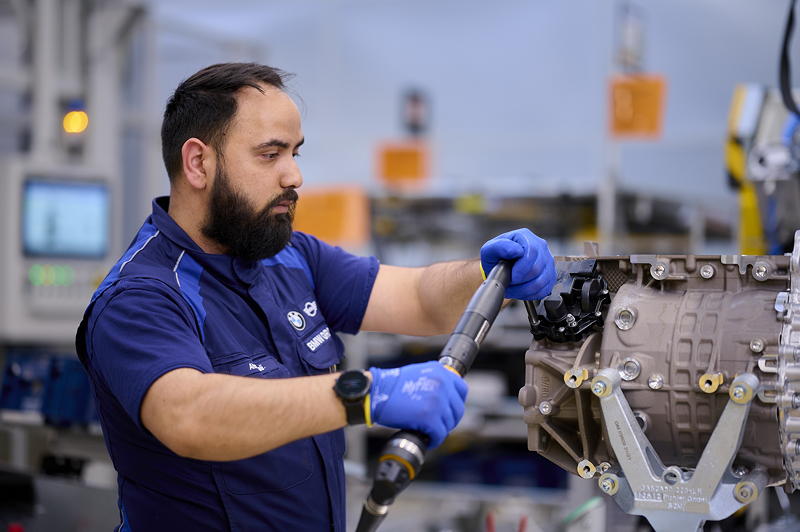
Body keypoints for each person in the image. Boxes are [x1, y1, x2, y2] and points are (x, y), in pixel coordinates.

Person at [76, 63, 556, 532]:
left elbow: (417, 297)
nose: (294, 177)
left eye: (295, 154)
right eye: (270, 155)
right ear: (199, 163)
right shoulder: (141, 296)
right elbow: (190, 414)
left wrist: (486, 275)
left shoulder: (288, 256)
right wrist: (367, 394)